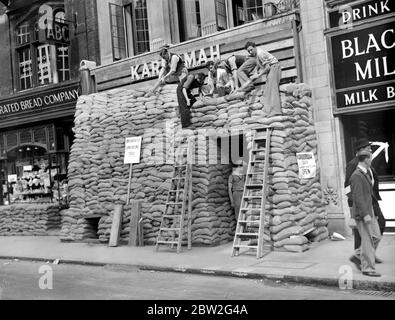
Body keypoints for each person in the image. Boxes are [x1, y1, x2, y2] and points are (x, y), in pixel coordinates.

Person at [345, 138, 385, 270]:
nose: (369, 149)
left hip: (371, 200)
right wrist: (353, 207)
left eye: (369, 147)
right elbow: (348, 188)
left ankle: (365, 254)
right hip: (361, 203)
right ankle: (364, 256)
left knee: (380, 225)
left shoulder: (368, 162)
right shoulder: (354, 164)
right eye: (366, 147)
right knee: (362, 232)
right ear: (359, 151)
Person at [350, 151, 382, 277]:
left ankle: (358, 255)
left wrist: (373, 211)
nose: (371, 161)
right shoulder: (356, 175)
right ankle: (367, 268)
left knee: (376, 236)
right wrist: (365, 214)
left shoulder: (365, 172)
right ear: (366, 160)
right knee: (368, 240)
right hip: (363, 213)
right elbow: (357, 197)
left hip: (370, 210)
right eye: (371, 158)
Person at [238, 41, 282, 116]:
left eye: (251, 49)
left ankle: (276, 112)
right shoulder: (256, 54)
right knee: (267, 90)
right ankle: (270, 110)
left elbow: (267, 67)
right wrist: (256, 72)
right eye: (248, 51)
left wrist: (258, 76)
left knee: (272, 89)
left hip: (274, 67)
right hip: (271, 69)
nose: (250, 52)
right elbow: (259, 64)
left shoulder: (260, 53)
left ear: (255, 47)